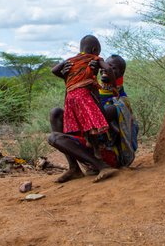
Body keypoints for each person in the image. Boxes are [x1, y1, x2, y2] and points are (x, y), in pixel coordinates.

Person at [48, 35, 116, 183]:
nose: (104, 73)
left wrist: (110, 88)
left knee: (96, 121)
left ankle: (101, 164)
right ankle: (74, 168)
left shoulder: (118, 100)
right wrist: (66, 76)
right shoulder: (87, 69)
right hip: (83, 135)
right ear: (94, 50)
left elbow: (103, 116)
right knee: (55, 115)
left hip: (108, 152)